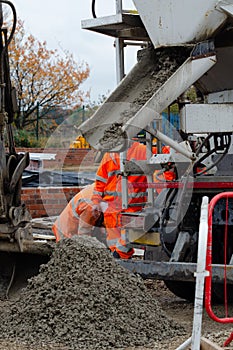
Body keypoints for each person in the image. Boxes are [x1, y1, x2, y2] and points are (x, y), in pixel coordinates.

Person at [91, 141, 148, 259]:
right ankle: (119, 264)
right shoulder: (109, 155)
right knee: (114, 243)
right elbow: (100, 182)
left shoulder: (141, 150)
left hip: (132, 208)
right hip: (111, 210)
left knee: (123, 245)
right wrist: (96, 202)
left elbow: (157, 169)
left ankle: (119, 260)